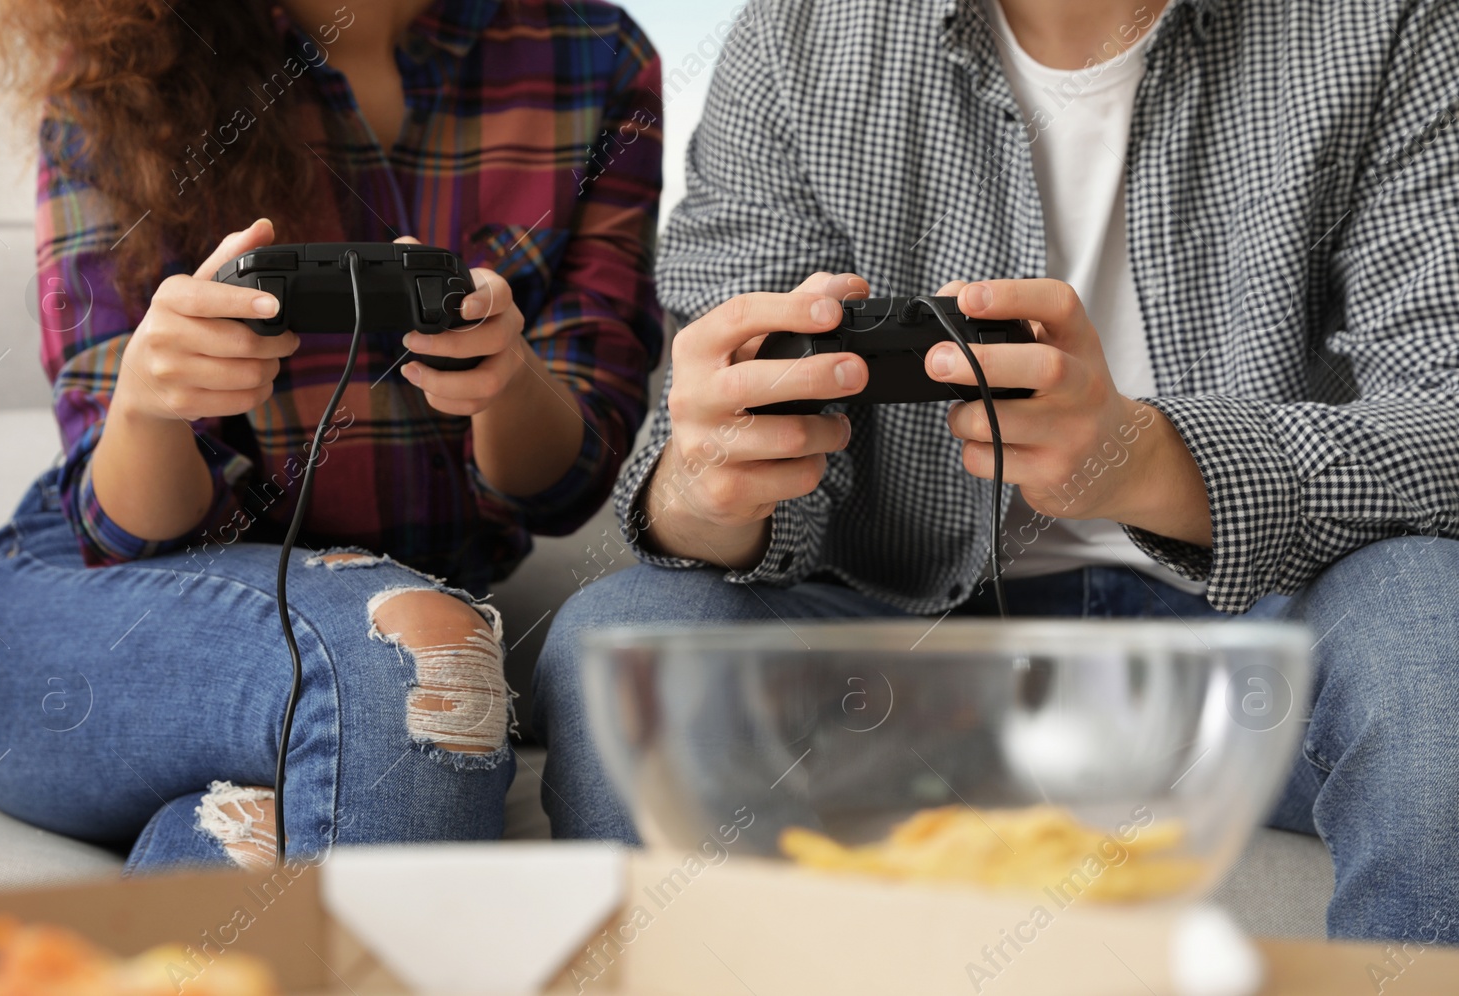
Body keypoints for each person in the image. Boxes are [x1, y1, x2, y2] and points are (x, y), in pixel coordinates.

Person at [535, 0, 1459, 945]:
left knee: (1432, 626)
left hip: (1256, 651)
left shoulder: (1388, 24)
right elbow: (701, 464)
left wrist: (1146, 460)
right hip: (914, 655)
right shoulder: (797, 36)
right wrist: (708, 490)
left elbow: (1446, 415)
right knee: (623, 630)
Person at [0, 0, 661, 872]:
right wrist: (148, 406)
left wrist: (507, 380)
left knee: (260, 834)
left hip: (374, 618)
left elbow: (567, 483)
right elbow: (120, 523)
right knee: (425, 662)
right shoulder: (120, 79)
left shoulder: (594, 58)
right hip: (82, 599)